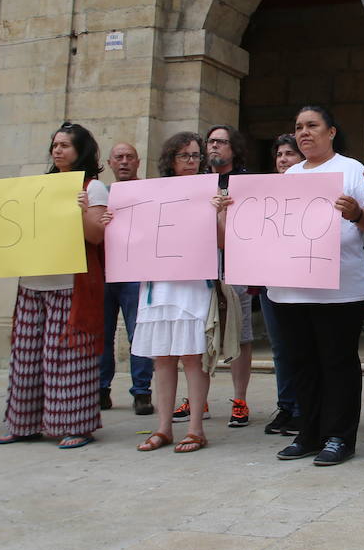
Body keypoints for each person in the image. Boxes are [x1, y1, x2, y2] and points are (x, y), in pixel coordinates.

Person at [0, 122, 108, 449]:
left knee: (68, 359)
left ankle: (76, 426)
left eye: (65, 145)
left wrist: (81, 211)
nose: (57, 150)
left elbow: (96, 236)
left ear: (80, 150)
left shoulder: (93, 188)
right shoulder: (38, 187)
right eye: (55, 145)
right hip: (32, 283)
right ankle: (23, 425)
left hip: (71, 285)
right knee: (25, 358)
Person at [267, 106, 364, 466]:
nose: (304, 132)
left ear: (331, 132)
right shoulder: (288, 176)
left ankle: (340, 436)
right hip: (291, 289)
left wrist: (356, 213)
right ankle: (309, 433)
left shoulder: (352, 169)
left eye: (312, 125)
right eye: (298, 127)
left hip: (339, 288)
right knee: (301, 363)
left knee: (337, 362)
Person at [121, 132, 221, 453]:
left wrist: (219, 212)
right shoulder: (152, 193)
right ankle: (163, 427)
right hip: (159, 284)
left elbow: (222, 240)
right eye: (184, 155)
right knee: (162, 357)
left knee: (193, 356)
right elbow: (133, 233)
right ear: (171, 160)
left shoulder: (210, 191)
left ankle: (195, 428)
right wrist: (114, 220)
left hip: (192, 284)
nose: (191, 161)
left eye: (195, 155)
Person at [198, 124, 256, 428]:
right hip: (200, 267)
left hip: (237, 266)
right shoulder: (196, 182)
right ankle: (198, 398)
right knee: (197, 335)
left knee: (240, 333)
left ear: (234, 148)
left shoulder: (247, 182)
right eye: (210, 141)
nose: (214, 146)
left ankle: (240, 400)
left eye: (221, 142)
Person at [100, 141, 154, 415]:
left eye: (129, 157)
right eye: (118, 157)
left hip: (135, 272)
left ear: (138, 162)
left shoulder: (151, 192)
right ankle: (101, 390)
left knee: (139, 333)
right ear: (109, 163)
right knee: (102, 334)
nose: (124, 161)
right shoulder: (100, 195)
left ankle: (142, 392)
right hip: (105, 272)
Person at [259, 134, 304, 436]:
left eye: (290, 153)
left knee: (300, 345)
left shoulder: (314, 191)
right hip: (270, 278)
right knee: (280, 347)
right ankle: (286, 406)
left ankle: (303, 409)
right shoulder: (262, 192)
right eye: (279, 154)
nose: (283, 159)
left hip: (303, 278)